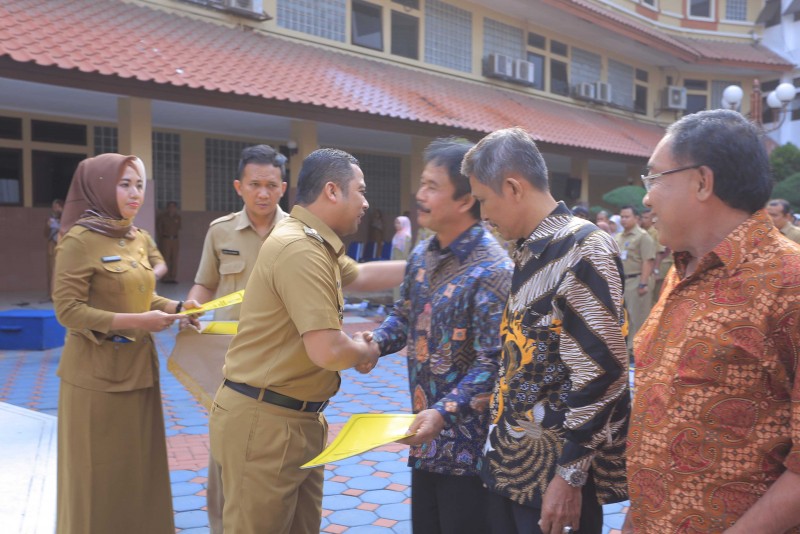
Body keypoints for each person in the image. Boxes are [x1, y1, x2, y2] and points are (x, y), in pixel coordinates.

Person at [208, 148, 404, 534]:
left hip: (295, 420)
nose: (366, 202)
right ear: (332, 191)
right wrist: (367, 349)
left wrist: (425, 266)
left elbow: (360, 276)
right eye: (360, 190)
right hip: (265, 424)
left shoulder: (314, 244)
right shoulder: (299, 248)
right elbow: (328, 350)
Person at [624, 109, 800, 533]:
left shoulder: (789, 283)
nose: (646, 199)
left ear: (703, 182)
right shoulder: (681, 271)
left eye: (654, 178)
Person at [463, 127, 630, 534]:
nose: (483, 215)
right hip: (513, 465)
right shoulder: (531, 250)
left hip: (553, 478)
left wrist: (570, 477)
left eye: (483, 200)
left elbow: (602, 372)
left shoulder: (584, 249)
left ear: (513, 187)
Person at [366, 139, 513, 533]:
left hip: (470, 455)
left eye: (432, 186)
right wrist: (374, 344)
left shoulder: (492, 269)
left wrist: (443, 413)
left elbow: (494, 362)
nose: (420, 195)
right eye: (422, 184)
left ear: (465, 200)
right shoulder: (422, 254)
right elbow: (404, 314)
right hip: (424, 440)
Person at [53, 154, 199, 534]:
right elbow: (68, 311)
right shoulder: (78, 241)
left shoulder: (137, 238)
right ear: (99, 187)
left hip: (139, 373)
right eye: (124, 184)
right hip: (96, 381)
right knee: (98, 478)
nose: (135, 193)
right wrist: (139, 322)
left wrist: (176, 308)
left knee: (139, 473)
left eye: (139, 185)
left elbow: (141, 296)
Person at [615, 205, 656, 349]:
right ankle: (626, 350)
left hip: (637, 280)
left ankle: (637, 350)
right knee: (623, 318)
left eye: (627, 217)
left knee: (637, 318)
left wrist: (643, 283)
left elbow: (648, 261)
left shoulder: (643, 236)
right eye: (622, 217)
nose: (623, 219)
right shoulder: (618, 237)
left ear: (636, 218)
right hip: (622, 282)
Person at [640, 208, 672, 301]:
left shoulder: (655, 231)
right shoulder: (643, 231)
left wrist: (656, 270)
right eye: (642, 217)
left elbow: (659, 252)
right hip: (649, 267)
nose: (643, 220)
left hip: (660, 266)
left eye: (646, 218)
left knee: (657, 295)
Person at [156, 200, 182, 283]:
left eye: (173, 207)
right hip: (166, 239)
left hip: (175, 239)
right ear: (167, 208)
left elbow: (179, 227)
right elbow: (159, 229)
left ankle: (172, 277)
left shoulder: (178, 217)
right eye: (170, 207)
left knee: (174, 259)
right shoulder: (163, 217)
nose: (172, 208)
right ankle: (165, 277)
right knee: (165, 258)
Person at [44, 198, 63, 299]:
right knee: (51, 270)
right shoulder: (50, 219)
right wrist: (48, 225)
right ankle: (51, 294)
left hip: (62, 246)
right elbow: (45, 234)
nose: (55, 209)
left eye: (57, 207)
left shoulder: (66, 218)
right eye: (54, 207)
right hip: (52, 246)